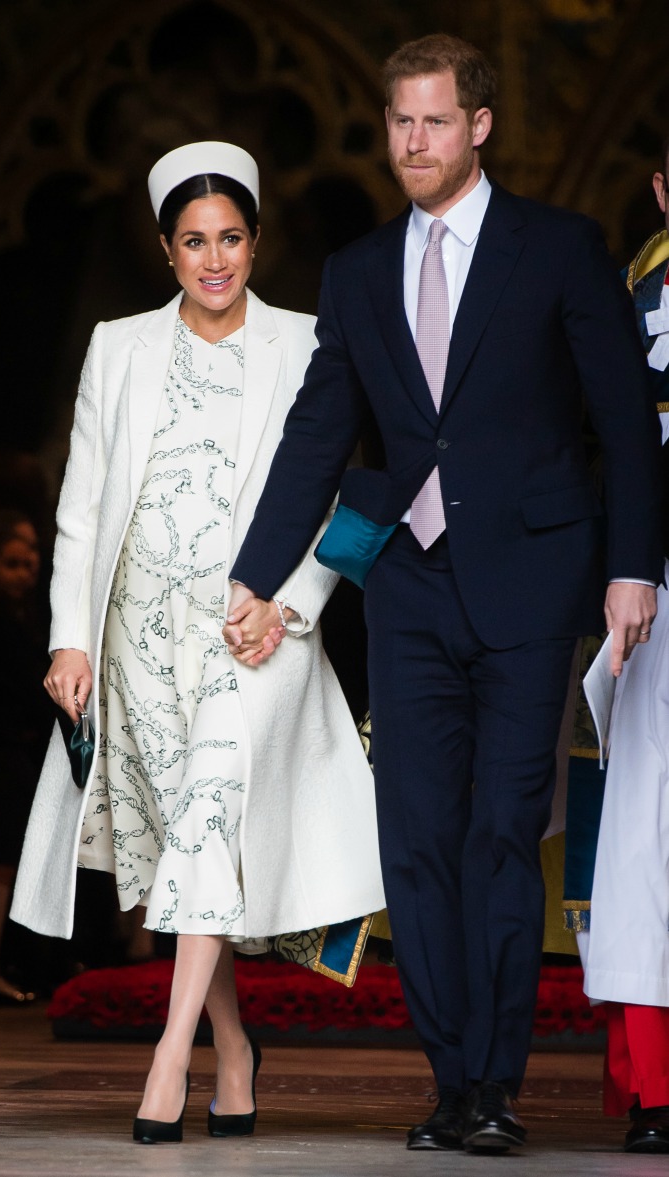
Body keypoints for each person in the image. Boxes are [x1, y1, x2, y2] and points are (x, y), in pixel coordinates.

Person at [224, 35, 663, 1154]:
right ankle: (453, 1078)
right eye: (397, 123)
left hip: (530, 588)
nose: (411, 142)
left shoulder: (559, 250)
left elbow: (622, 423)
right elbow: (319, 431)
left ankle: (498, 1085)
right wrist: (254, 575)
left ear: (477, 126)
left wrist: (630, 566)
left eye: (432, 121)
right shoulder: (360, 270)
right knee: (414, 844)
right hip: (410, 594)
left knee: (498, 840)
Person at [11, 141, 385, 1143]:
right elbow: (83, 508)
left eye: (229, 238)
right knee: (189, 850)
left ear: (256, 242)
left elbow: (348, 500)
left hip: (252, 636)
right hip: (138, 636)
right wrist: (69, 640)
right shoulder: (117, 345)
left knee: (211, 815)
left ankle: (169, 1057)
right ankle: (230, 1041)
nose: (213, 258)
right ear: (166, 249)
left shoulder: (310, 343)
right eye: (192, 241)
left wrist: (292, 603)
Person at [577, 136, 669, 1154]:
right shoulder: (621, 290)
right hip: (652, 589)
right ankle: (654, 1081)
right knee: (644, 835)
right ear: (658, 187)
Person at [0, 509, 51, 1003]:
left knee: (0, 859)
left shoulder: (18, 615)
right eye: (11, 563)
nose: (26, 571)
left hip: (4, 749)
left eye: (30, 560)